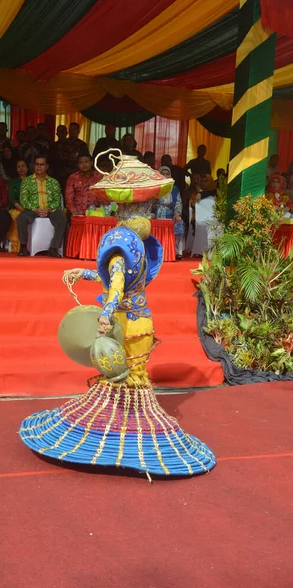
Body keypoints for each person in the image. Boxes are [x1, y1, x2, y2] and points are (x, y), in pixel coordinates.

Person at [19, 181, 216, 477]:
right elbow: (114, 278)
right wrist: (84, 273)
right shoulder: (136, 246)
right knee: (127, 380)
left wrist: (106, 314)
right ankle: (121, 436)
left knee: (128, 380)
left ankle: (125, 439)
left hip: (127, 324)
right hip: (138, 321)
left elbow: (116, 287)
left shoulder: (118, 245)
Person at [17, 156, 67, 258]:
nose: (39, 167)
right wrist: (35, 209)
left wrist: (48, 209)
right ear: (34, 166)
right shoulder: (27, 181)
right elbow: (23, 200)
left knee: (62, 218)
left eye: (42, 164)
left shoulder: (54, 182)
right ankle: (23, 247)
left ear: (47, 166)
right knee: (21, 218)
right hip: (33, 209)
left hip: (50, 210)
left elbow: (57, 201)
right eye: (37, 164)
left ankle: (53, 248)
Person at [156, 166, 184, 260]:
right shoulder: (155, 187)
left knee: (179, 222)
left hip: (170, 213)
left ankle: (175, 251)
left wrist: (177, 214)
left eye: (167, 174)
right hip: (156, 213)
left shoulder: (174, 189)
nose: (165, 176)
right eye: (162, 174)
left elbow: (178, 202)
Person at [7, 159, 28, 253]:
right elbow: (12, 199)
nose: (21, 169)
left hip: (32, 209)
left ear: (27, 167)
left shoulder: (33, 181)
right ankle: (16, 245)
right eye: (18, 167)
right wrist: (23, 209)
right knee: (16, 215)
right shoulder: (13, 182)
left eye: (23, 166)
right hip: (17, 208)